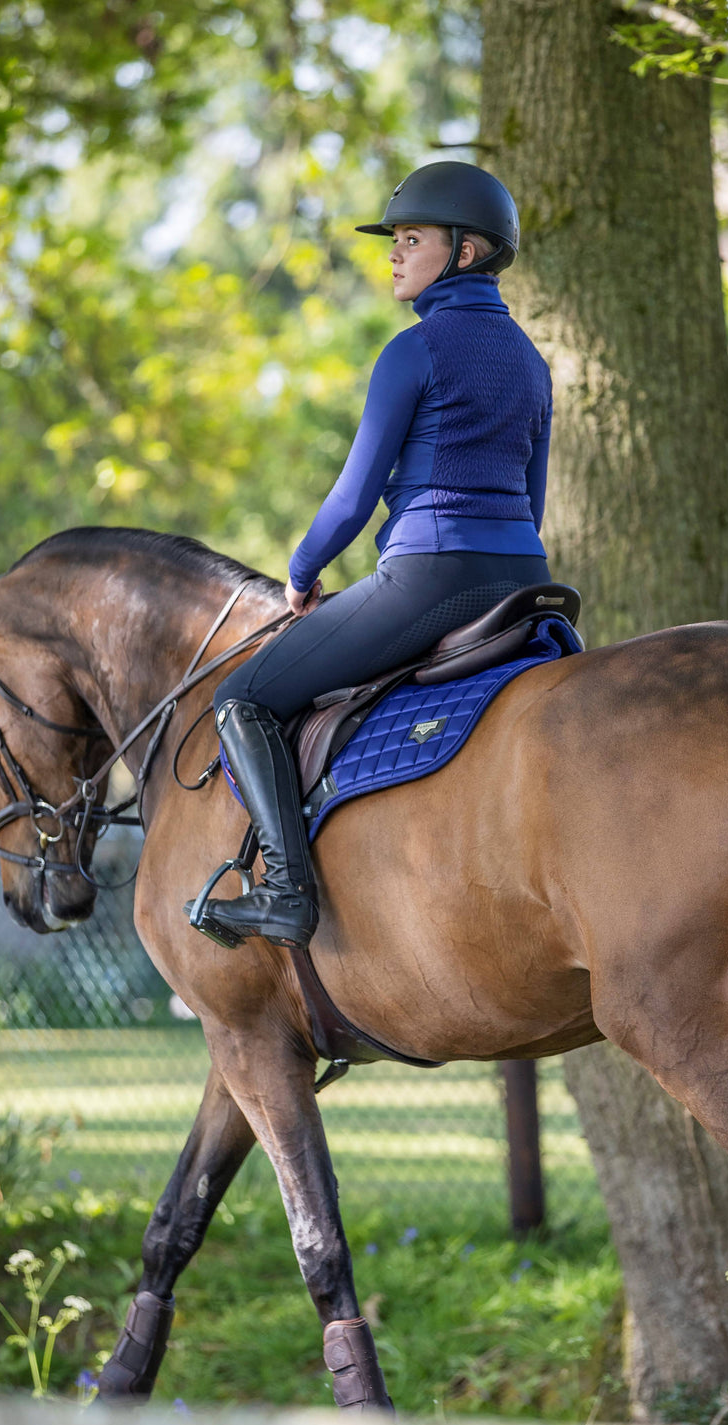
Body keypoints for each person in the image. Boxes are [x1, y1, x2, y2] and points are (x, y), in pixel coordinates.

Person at [190, 160, 554, 951]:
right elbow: (535, 496)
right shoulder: (532, 363)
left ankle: (286, 892)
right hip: (528, 580)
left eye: (411, 238)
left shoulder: (413, 351)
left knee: (242, 699)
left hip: (430, 575)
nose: (394, 253)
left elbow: (354, 500)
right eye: (394, 239)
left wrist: (299, 572)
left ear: (465, 251)